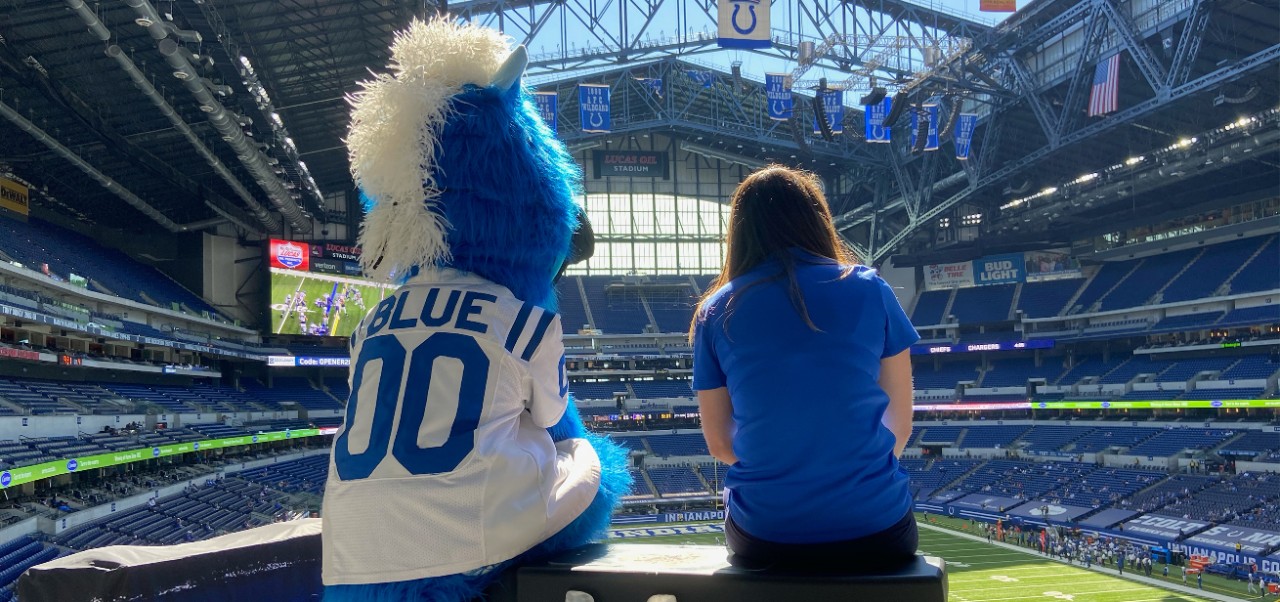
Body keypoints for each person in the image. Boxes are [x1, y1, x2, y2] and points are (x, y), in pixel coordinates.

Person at [691, 166, 918, 571]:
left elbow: (721, 445)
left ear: (740, 232)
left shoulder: (715, 310)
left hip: (765, 535)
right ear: (817, 220)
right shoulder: (870, 287)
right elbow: (899, 425)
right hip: (878, 527)